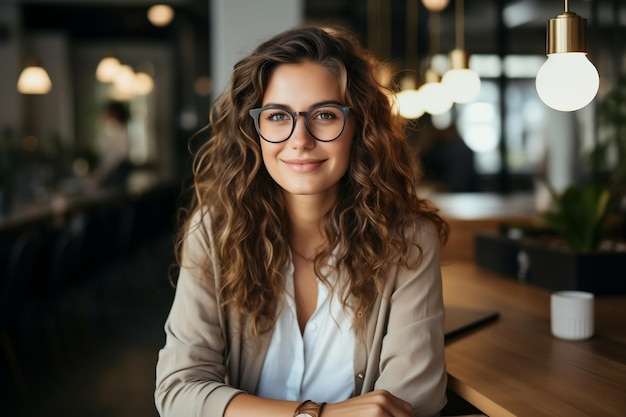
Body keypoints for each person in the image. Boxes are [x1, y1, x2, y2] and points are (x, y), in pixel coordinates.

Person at [155, 25, 449, 417]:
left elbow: (415, 399)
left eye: (324, 115)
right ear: (253, 130)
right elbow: (177, 390)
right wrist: (315, 415)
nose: (300, 139)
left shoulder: (408, 239)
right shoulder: (215, 231)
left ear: (359, 126)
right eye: (278, 116)